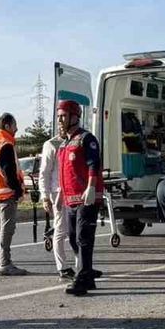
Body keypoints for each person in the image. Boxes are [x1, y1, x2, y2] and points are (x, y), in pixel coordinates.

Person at [56, 99, 103, 295]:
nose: (60, 120)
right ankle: (88, 274)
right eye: (58, 117)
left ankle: (82, 279)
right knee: (73, 238)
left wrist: (91, 187)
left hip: (86, 198)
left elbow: (94, 164)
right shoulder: (64, 143)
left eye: (63, 116)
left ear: (74, 117)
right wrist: (60, 194)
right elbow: (64, 172)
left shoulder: (86, 138)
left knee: (83, 238)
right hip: (70, 199)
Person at [0, 113, 27, 275]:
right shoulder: (5, 143)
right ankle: (5, 263)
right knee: (7, 229)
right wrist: (18, 190)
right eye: (15, 125)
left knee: (2, 228)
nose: (17, 129)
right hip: (6, 192)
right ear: (7, 126)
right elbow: (8, 171)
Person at [39, 126, 72, 280]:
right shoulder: (51, 145)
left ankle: (81, 265)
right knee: (60, 229)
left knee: (74, 229)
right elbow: (44, 173)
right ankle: (62, 267)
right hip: (57, 192)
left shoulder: (75, 141)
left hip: (73, 190)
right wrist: (45, 196)